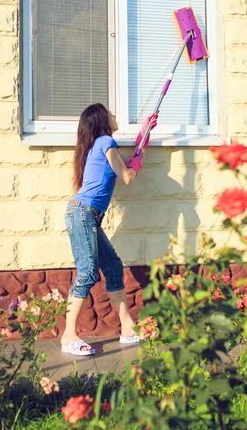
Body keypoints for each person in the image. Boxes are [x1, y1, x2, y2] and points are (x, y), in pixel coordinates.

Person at [61, 103, 158, 356]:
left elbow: (133, 161)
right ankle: (68, 334)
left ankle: (127, 327)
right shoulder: (105, 142)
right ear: (102, 120)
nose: (116, 117)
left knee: (112, 266)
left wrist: (145, 133)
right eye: (112, 114)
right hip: (83, 214)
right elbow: (127, 176)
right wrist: (135, 163)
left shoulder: (100, 145)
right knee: (88, 271)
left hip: (87, 216)